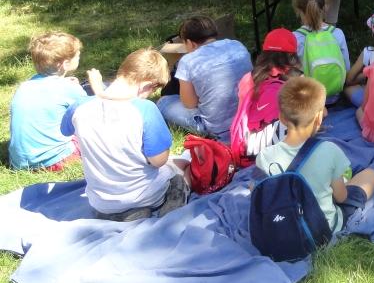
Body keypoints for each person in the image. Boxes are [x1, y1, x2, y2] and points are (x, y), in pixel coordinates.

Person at [61, 49, 191, 221]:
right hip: (145, 195)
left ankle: (121, 213)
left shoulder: (79, 106)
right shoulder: (145, 109)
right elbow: (158, 161)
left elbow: (65, 130)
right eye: (152, 90)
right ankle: (172, 205)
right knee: (182, 167)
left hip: (100, 202)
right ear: (145, 85)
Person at [255, 77, 374, 235]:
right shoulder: (330, 150)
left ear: (281, 118)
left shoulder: (265, 156)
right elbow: (341, 198)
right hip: (322, 229)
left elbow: (257, 195)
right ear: (319, 117)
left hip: (283, 227)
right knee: (371, 174)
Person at [157, 16, 252, 142]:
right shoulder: (237, 46)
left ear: (190, 42)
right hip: (247, 116)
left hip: (216, 129)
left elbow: (190, 104)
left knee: (163, 102)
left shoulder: (188, 61)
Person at [9, 32, 90, 171]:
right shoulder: (69, 88)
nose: (79, 59)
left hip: (19, 162)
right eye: (77, 57)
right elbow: (94, 114)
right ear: (65, 64)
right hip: (54, 160)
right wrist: (97, 87)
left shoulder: (24, 86)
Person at [229, 28, 303, 163]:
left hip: (252, 150)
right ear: (291, 54)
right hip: (288, 147)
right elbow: (318, 112)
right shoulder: (297, 78)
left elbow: (241, 115)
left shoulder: (250, 77)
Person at [291, 0, 351, 107]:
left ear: (298, 10)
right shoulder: (337, 33)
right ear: (325, 7)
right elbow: (346, 68)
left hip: (308, 100)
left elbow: (292, 74)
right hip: (335, 95)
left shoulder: (294, 38)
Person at [344, 8, 374, 108]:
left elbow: (349, 80)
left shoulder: (368, 53)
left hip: (373, 105)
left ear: (373, 34)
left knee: (348, 88)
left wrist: (368, 74)